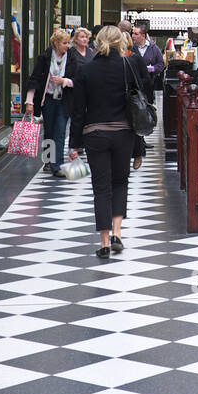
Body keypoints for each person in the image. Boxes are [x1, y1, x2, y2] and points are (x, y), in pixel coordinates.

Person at [68, 25, 146, 259]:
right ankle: (118, 233)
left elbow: (78, 110)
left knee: (100, 187)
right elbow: (139, 104)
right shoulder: (128, 65)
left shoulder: (87, 69)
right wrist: (139, 146)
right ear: (120, 41)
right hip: (123, 133)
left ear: (97, 42)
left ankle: (103, 241)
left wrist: (74, 144)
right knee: (120, 182)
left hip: (95, 133)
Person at [25, 29, 82, 177]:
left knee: (61, 131)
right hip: (48, 99)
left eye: (68, 42)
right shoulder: (45, 58)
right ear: (56, 44)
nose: (67, 46)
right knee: (49, 131)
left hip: (64, 100)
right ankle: (48, 161)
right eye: (64, 43)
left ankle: (57, 166)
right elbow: (35, 79)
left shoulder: (71, 58)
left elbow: (78, 80)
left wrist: (64, 81)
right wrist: (29, 101)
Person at [131, 23, 162, 101]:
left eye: (136, 34)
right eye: (132, 33)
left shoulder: (153, 48)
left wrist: (150, 69)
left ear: (143, 36)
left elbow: (160, 65)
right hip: (134, 86)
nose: (132, 36)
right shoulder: (130, 48)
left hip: (149, 86)